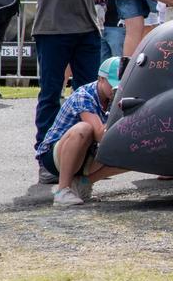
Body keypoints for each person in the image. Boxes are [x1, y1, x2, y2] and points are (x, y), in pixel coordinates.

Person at [11, 0, 127, 184]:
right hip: (52, 27)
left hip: (87, 26)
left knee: (89, 93)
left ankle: (84, 155)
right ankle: (46, 157)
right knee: (50, 93)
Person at [44, 57, 132, 207]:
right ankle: (62, 191)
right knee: (84, 128)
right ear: (100, 79)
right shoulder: (84, 95)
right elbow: (99, 134)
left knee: (137, 145)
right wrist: (118, 110)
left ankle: (83, 184)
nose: (116, 91)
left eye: (120, 87)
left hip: (87, 154)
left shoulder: (116, 95)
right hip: (56, 155)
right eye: (113, 86)